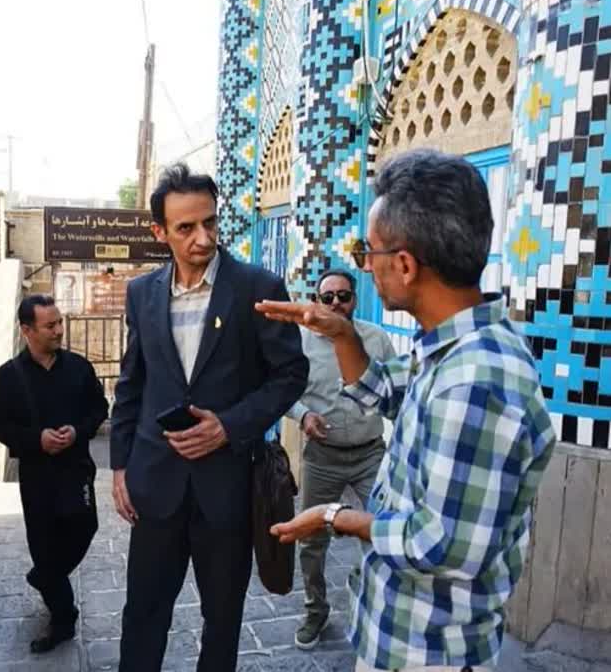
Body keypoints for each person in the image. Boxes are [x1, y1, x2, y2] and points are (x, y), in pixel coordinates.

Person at [257, 149, 556, 672]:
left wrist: (334, 517)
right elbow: (384, 390)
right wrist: (343, 335)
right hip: (403, 639)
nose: (364, 266)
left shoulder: (478, 379)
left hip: (431, 651)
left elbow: (441, 546)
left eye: (367, 252)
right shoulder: (447, 348)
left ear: (405, 264)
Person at [110, 163, 308, 672]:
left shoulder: (257, 287)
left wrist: (230, 426)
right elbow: (132, 382)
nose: (203, 238)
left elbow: (290, 375)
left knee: (222, 620)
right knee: (144, 614)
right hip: (156, 485)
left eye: (210, 223)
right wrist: (118, 468)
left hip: (227, 491)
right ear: (160, 232)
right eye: (185, 228)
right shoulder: (142, 293)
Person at [0, 295, 108, 654]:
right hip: (37, 478)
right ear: (27, 330)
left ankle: (45, 578)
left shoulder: (79, 368)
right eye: (49, 325)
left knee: (84, 528)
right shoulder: (8, 377)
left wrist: (77, 431)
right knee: (44, 546)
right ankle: (62, 618)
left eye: (59, 322)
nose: (58, 330)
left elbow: (98, 408)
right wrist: (35, 439)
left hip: (76, 471)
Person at [285, 269, 395, 650]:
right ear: (317, 300)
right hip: (323, 457)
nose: (335, 304)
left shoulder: (376, 339)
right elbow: (284, 391)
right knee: (312, 541)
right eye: (327, 297)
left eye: (343, 296)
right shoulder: (301, 343)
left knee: (386, 531)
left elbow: (396, 391)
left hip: (370, 455)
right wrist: (303, 416)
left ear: (354, 299)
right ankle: (315, 611)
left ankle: (377, 607)